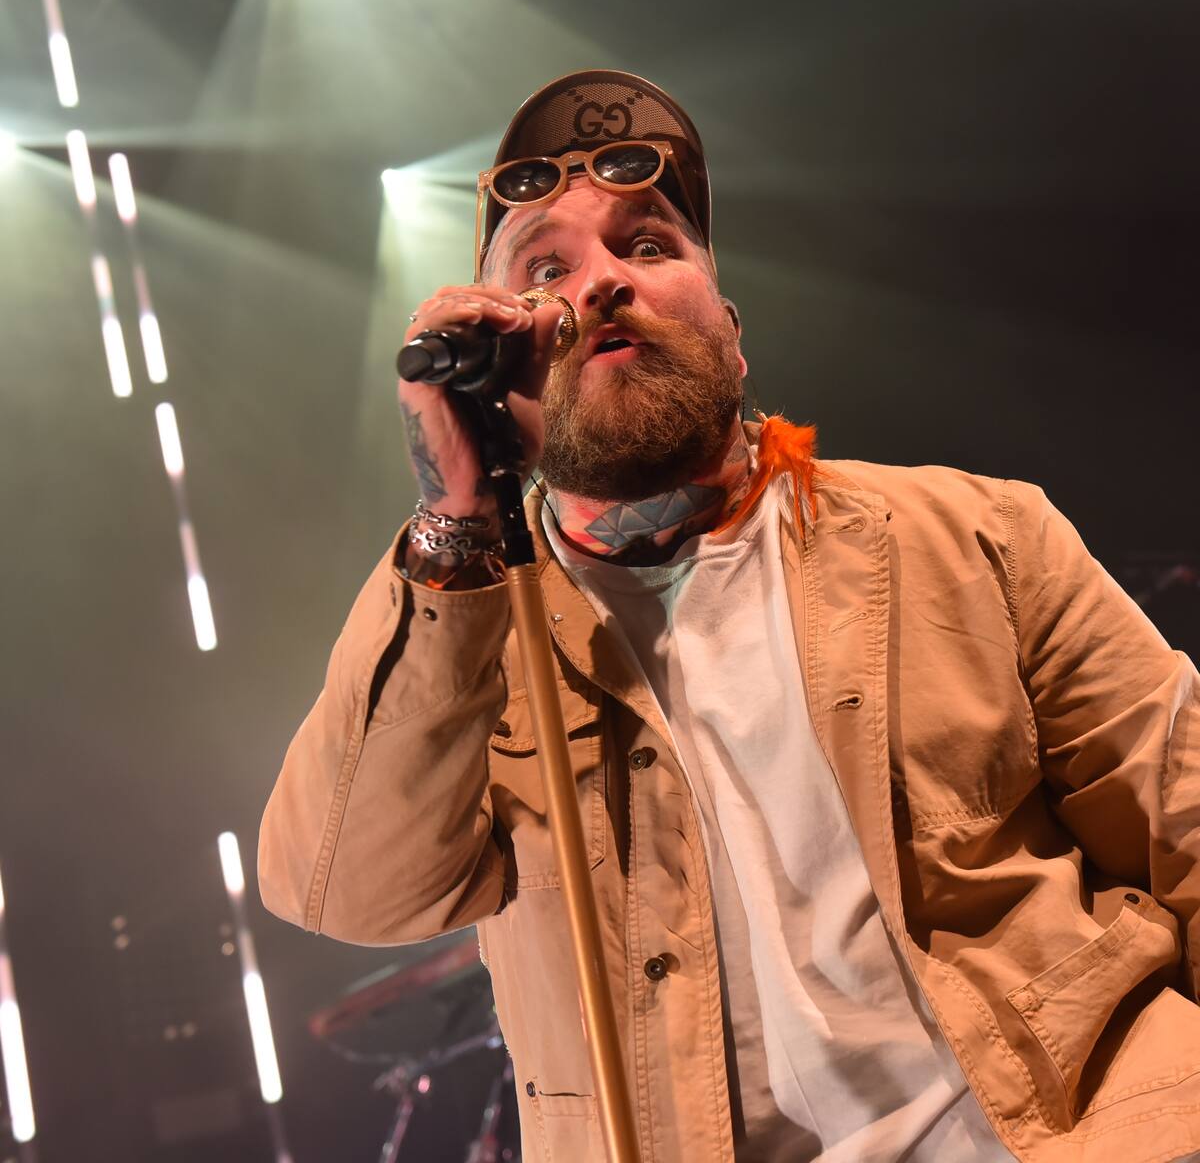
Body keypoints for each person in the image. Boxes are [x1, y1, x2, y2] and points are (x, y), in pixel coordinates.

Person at [258, 70, 1200, 1162]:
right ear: (501, 378)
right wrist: (452, 523)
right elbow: (346, 891)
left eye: (648, 245)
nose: (602, 280)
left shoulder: (977, 534)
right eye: (545, 270)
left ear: (734, 334)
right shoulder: (476, 641)